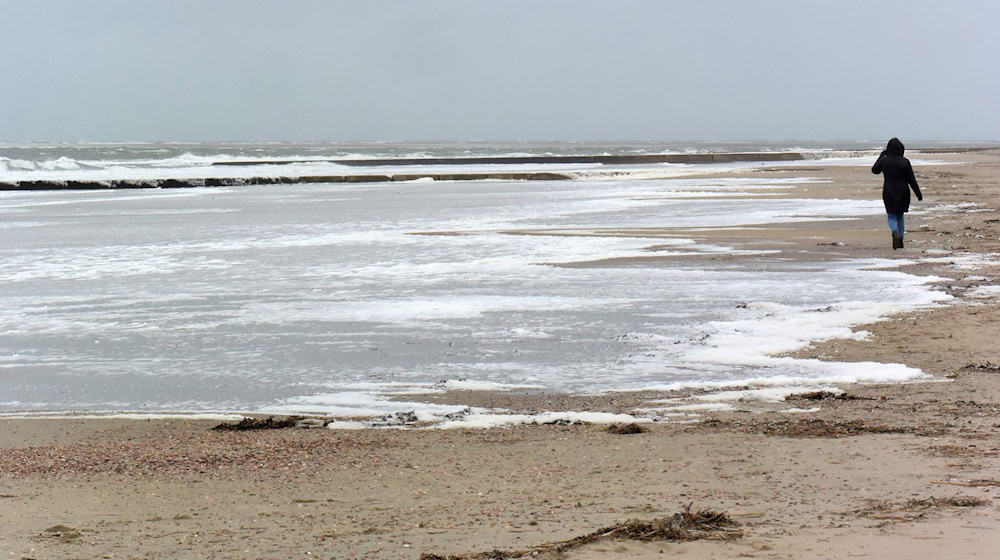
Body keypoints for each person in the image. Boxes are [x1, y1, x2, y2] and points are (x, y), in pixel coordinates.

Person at [872, 137, 922, 249]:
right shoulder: (905, 162)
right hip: (903, 191)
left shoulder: (884, 160)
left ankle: (895, 232)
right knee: (900, 215)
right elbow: (911, 180)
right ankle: (901, 239)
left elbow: (875, 170)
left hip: (889, 190)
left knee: (891, 215)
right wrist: (918, 193)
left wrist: (881, 156)